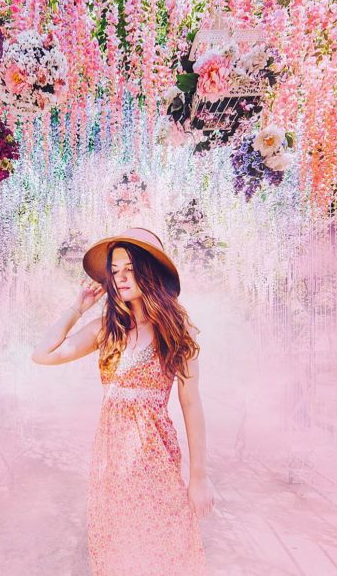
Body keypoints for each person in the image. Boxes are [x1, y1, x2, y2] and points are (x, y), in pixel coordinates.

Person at [32, 227, 213, 575]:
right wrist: (77, 307)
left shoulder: (178, 330)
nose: (120, 278)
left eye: (129, 268)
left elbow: (191, 403)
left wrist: (199, 476)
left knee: (165, 549)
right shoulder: (107, 328)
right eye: (114, 271)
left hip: (156, 459)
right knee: (117, 553)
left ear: (150, 270)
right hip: (112, 464)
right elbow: (43, 355)